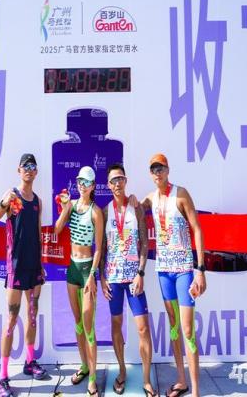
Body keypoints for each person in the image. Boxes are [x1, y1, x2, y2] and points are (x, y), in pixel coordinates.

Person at [140, 154, 206, 397]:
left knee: (188, 329)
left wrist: (200, 270)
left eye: (161, 169)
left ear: (168, 170)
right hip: (164, 270)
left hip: (184, 270)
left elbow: (197, 229)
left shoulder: (181, 194)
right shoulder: (151, 198)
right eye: (153, 169)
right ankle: (181, 379)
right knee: (174, 326)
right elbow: (132, 209)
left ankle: (196, 391)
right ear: (150, 174)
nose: (157, 173)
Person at [0, 153, 47, 397]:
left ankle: (29, 361)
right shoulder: (12, 196)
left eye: (33, 166)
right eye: (25, 166)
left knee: (32, 316)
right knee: (12, 320)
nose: (29, 170)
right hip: (16, 267)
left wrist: (41, 263)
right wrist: (3, 204)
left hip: (34, 267)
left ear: (36, 171)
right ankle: (2, 377)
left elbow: (38, 234)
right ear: (19, 170)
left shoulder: (38, 201)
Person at [99, 163, 157, 396]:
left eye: (120, 179)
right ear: (108, 185)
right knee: (116, 325)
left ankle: (146, 379)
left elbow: (144, 243)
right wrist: (102, 278)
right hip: (113, 278)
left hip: (134, 279)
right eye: (113, 180)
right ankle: (122, 371)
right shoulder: (104, 212)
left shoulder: (136, 208)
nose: (117, 184)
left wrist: (141, 272)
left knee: (143, 328)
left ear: (126, 181)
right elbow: (101, 248)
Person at [54, 166, 104, 397]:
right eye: (79, 181)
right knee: (77, 323)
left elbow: (99, 248)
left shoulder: (96, 212)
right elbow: (57, 229)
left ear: (93, 186)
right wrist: (66, 208)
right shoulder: (72, 205)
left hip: (86, 271)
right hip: (72, 269)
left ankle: (92, 379)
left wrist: (92, 275)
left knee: (88, 326)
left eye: (86, 182)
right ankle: (84, 366)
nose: (82, 185)